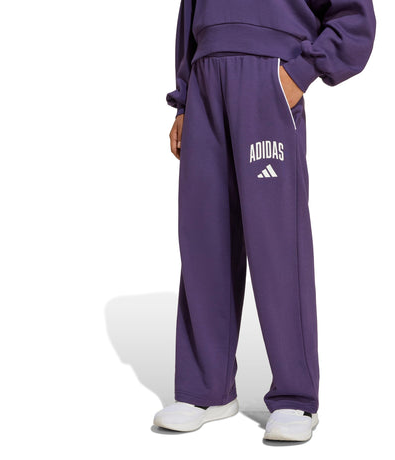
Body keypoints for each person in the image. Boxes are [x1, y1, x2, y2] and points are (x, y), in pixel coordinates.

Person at [154, 0, 376, 442]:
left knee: (276, 240)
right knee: (204, 238)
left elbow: (354, 17)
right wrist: (183, 101)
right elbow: (189, 18)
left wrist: (299, 74)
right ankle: (207, 389)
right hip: (205, 81)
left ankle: (295, 396)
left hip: (267, 78)